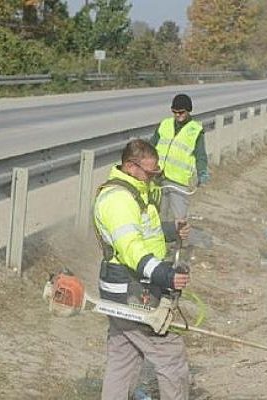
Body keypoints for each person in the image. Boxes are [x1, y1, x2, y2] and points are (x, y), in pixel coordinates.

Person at [93, 139, 191, 400]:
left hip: (125, 289)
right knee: (170, 355)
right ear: (130, 166)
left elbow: (144, 232)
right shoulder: (118, 200)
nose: (153, 178)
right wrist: (165, 275)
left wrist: (170, 230)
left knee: (123, 357)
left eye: (155, 172)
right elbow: (131, 248)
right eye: (150, 173)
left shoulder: (137, 191)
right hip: (131, 291)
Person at [151, 93, 208, 220]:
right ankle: (160, 239)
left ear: (188, 111)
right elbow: (151, 146)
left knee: (179, 218)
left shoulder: (195, 130)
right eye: (174, 112)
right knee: (157, 215)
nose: (178, 115)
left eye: (181, 112)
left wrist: (202, 172)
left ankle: (179, 240)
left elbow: (201, 155)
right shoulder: (165, 124)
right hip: (158, 177)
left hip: (178, 182)